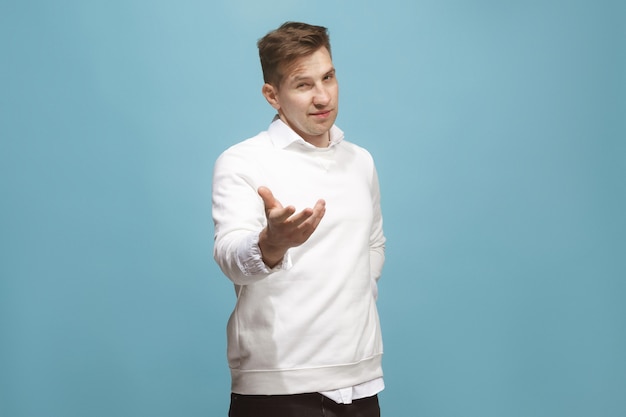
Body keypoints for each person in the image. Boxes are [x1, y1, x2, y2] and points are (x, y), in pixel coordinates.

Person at [212, 21, 386, 417]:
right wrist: (270, 245)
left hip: (362, 383)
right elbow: (228, 256)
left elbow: (373, 244)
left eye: (328, 77)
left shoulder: (361, 162)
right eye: (303, 84)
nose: (323, 96)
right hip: (278, 389)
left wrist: (352, 295)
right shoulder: (242, 161)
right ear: (272, 95)